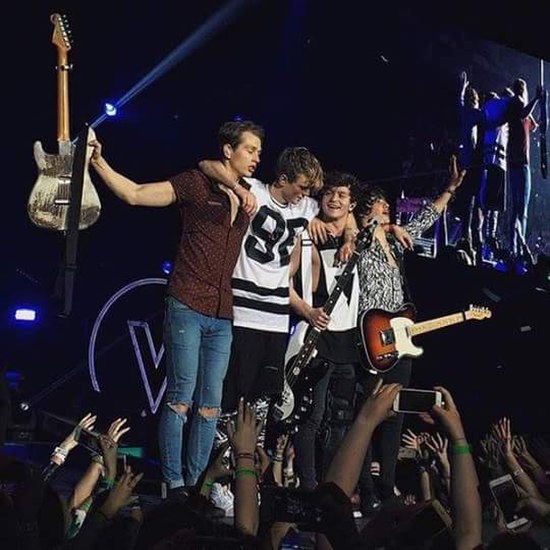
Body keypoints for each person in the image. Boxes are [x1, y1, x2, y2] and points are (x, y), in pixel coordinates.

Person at [88, 119, 264, 497]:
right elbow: (135, 193)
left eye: (259, 152)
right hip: (186, 300)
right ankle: (175, 483)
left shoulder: (249, 195)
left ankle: (199, 482)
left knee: (211, 406)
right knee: (181, 396)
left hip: (222, 312)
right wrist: (98, 164)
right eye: (250, 149)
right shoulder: (195, 184)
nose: (256, 157)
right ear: (229, 150)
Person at [354, 155, 465, 511]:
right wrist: (382, 228)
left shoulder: (397, 243)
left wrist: (448, 190)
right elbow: (358, 235)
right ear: (366, 210)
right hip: (371, 336)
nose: (388, 209)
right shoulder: (360, 238)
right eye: (381, 205)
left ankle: (386, 487)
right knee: (371, 411)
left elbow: (424, 220)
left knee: (396, 414)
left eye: (387, 206)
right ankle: (366, 488)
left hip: (399, 338)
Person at [199, 147, 323, 417]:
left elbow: (344, 216)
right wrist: (239, 189)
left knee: (264, 401)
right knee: (233, 395)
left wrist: (348, 236)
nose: (304, 194)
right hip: (243, 310)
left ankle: (253, 455)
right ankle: (223, 455)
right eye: (301, 187)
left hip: (277, 315)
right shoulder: (254, 190)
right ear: (282, 179)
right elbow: (208, 165)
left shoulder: (307, 207)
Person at [287, 171, 362, 490]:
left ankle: (334, 489)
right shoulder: (306, 231)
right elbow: (282, 280)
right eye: (329, 193)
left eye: (342, 195)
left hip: (348, 341)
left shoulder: (357, 234)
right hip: (314, 338)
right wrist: (306, 311)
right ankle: (308, 486)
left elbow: (357, 222)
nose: (334, 199)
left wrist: (349, 236)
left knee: (341, 421)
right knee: (310, 417)